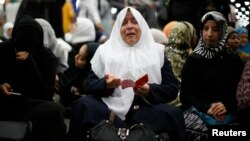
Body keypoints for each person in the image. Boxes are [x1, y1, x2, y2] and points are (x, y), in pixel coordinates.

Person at [66, 7, 185, 141]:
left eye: (134, 22)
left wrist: (149, 90)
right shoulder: (104, 51)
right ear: (117, 28)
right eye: (124, 23)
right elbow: (89, 86)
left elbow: (172, 89)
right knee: (82, 105)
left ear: (142, 26)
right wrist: (106, 84)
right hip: (107, 108)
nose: (129, 26)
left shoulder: (157, 52)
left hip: (144, 110)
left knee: (173, 114)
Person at [0, 15, 66, 141]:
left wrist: (30, 63)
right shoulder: (3, 50)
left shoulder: (47, 57)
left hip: (31, 104)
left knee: (54, 111)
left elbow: (46, 94)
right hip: (5, 102)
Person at [180, 11, 244, 140]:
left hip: (229, 111)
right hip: (200, 112)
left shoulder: (233, 59)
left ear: (222, 31)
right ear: (201, 31)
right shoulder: (193, 60)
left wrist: (226, 106)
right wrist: (207, 108)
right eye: (205, 28)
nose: (209, 34)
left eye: (215, 29)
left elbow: (241, 92)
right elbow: (185, 95)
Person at [55, 42, 99, 107]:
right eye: (78, 53)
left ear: (90, 63)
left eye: (81, 58)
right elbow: (65, 78)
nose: (76, 57)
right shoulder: (74, 68)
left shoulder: (90, 83)